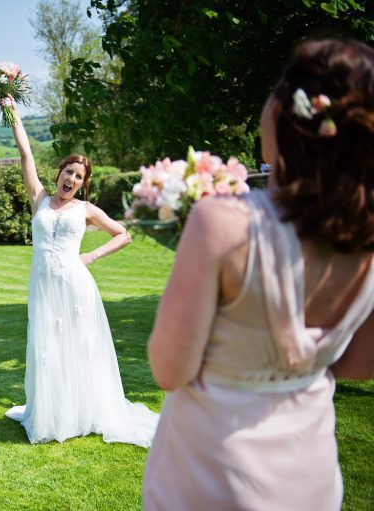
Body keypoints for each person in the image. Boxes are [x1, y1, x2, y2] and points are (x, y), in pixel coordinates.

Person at [142, 38, 374, 510]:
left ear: (288, 113)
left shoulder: (223, 223)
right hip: (309, 472)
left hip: (212, 471)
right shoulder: (366, 237)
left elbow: (169, 369)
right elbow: (357, 366)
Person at [3, 97, 159, 445]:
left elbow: (124, 234)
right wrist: (10, 109)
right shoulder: (39, 199)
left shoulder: (86, 209)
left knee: (80, 346)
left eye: (78, 176)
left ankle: (84, 411)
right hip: (43, 285)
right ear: (59, 173)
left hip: (75, 285)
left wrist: (91, 256)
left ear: (83, 183)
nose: (71, 178)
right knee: (47, 348)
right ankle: (52, 413)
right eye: (68, 172)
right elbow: (26, 154)